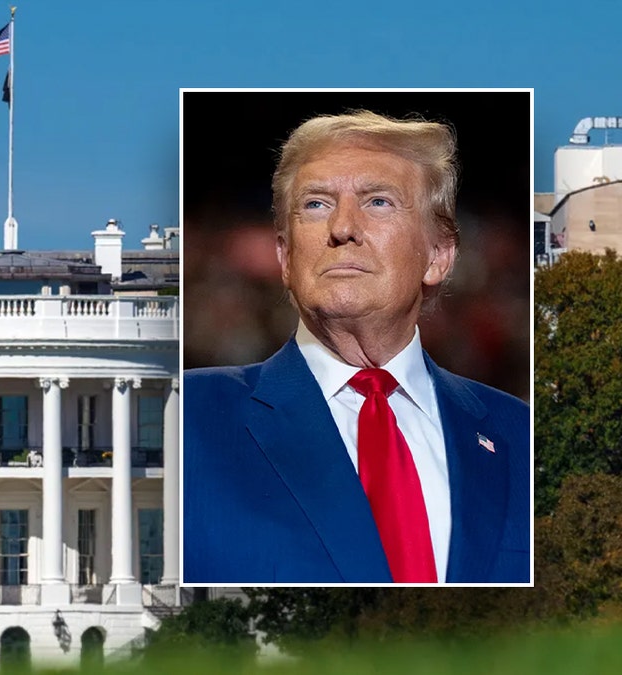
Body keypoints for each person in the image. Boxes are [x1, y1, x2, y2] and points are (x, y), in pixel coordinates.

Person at [182, 110, 530, 584]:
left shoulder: (521, 437)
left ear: (439, 255)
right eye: (317, 204)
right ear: (285, 257)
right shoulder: (189, 417)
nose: (342, 227)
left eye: (379, 202)